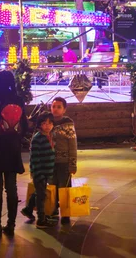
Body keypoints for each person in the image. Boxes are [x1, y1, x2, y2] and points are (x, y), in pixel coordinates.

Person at [0, 70, 28, 237]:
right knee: (11, 187)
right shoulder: (18, 99)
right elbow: (25, 126)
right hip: (12, 148)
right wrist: (16, 138)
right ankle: (11, 225)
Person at [21, 112, 56, 229]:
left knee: (39, 191)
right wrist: (37, 173)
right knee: (41, 195)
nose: (47, 125)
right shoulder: (38, 138)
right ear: (40, 124)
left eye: (50, 123)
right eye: (44, 123)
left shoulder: (49, 136)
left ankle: (28, 209)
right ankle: (41, 219)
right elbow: (35, 158)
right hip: (40, 172)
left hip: (46, 172)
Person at [50, 96, 77, 225]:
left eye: (59, 107)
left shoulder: (68, 124)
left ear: (64, 109)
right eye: (53, 106)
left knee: (64, 188)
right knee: (52, 187)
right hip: (50, 161)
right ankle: (52, 210)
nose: (55, 109)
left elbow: (72, 144)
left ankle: (65, 213)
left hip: (64, 161)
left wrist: (72, 164)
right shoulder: (46, 122)